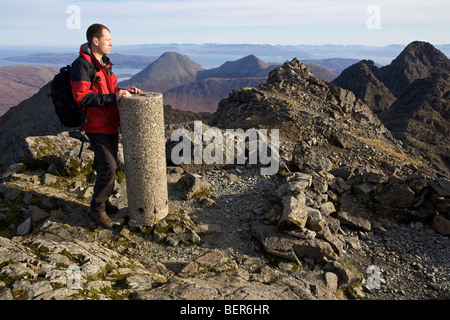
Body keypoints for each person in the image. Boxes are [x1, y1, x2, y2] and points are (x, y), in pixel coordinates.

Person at [70, 23, 143, 228]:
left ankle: (105, 200)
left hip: (111, 124)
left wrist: (124, 90)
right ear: (95, 41)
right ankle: (97, 208)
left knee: (109, 166)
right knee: (109, 167)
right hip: (96, 126)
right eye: (107, 39)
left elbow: (110, 89)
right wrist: (113, 97)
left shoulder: (104, 63)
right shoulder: (82, 65)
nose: (111, 43)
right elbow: (82, 97)